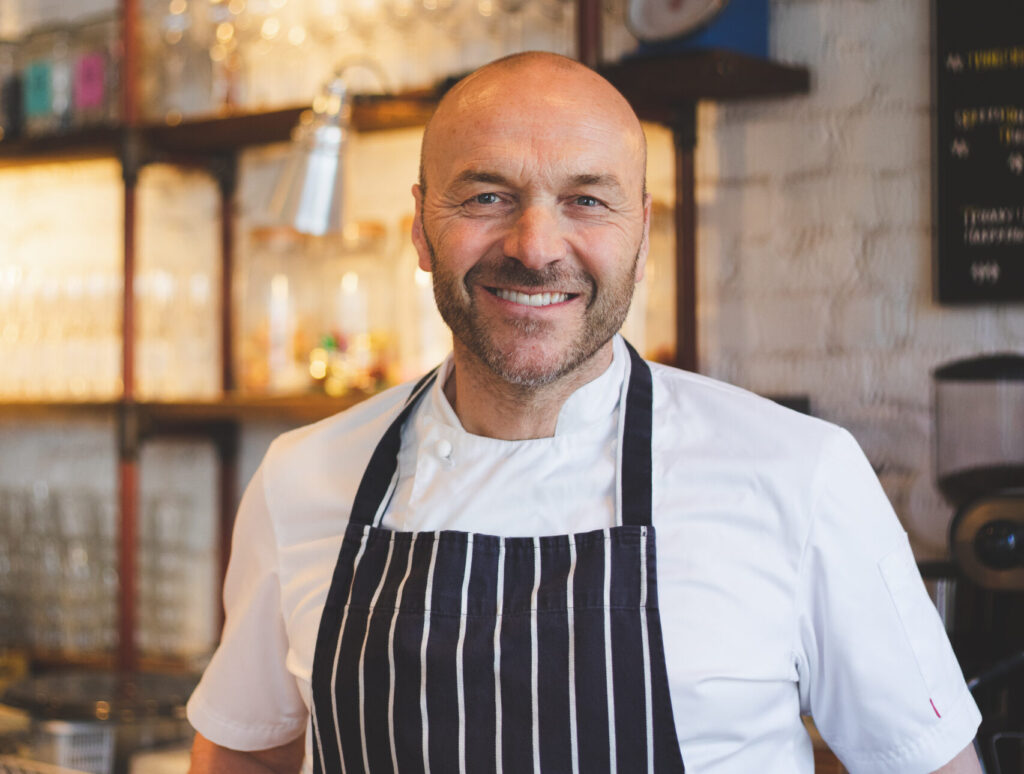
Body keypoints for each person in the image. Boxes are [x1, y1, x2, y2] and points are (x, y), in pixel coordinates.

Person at [187, 52, 984, 774]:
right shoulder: (304, 479)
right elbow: (246, 757)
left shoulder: (800, 473)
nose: (536, 247)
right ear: (423, 226)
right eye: (488, 195)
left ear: (640, 230)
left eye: (587, 199)